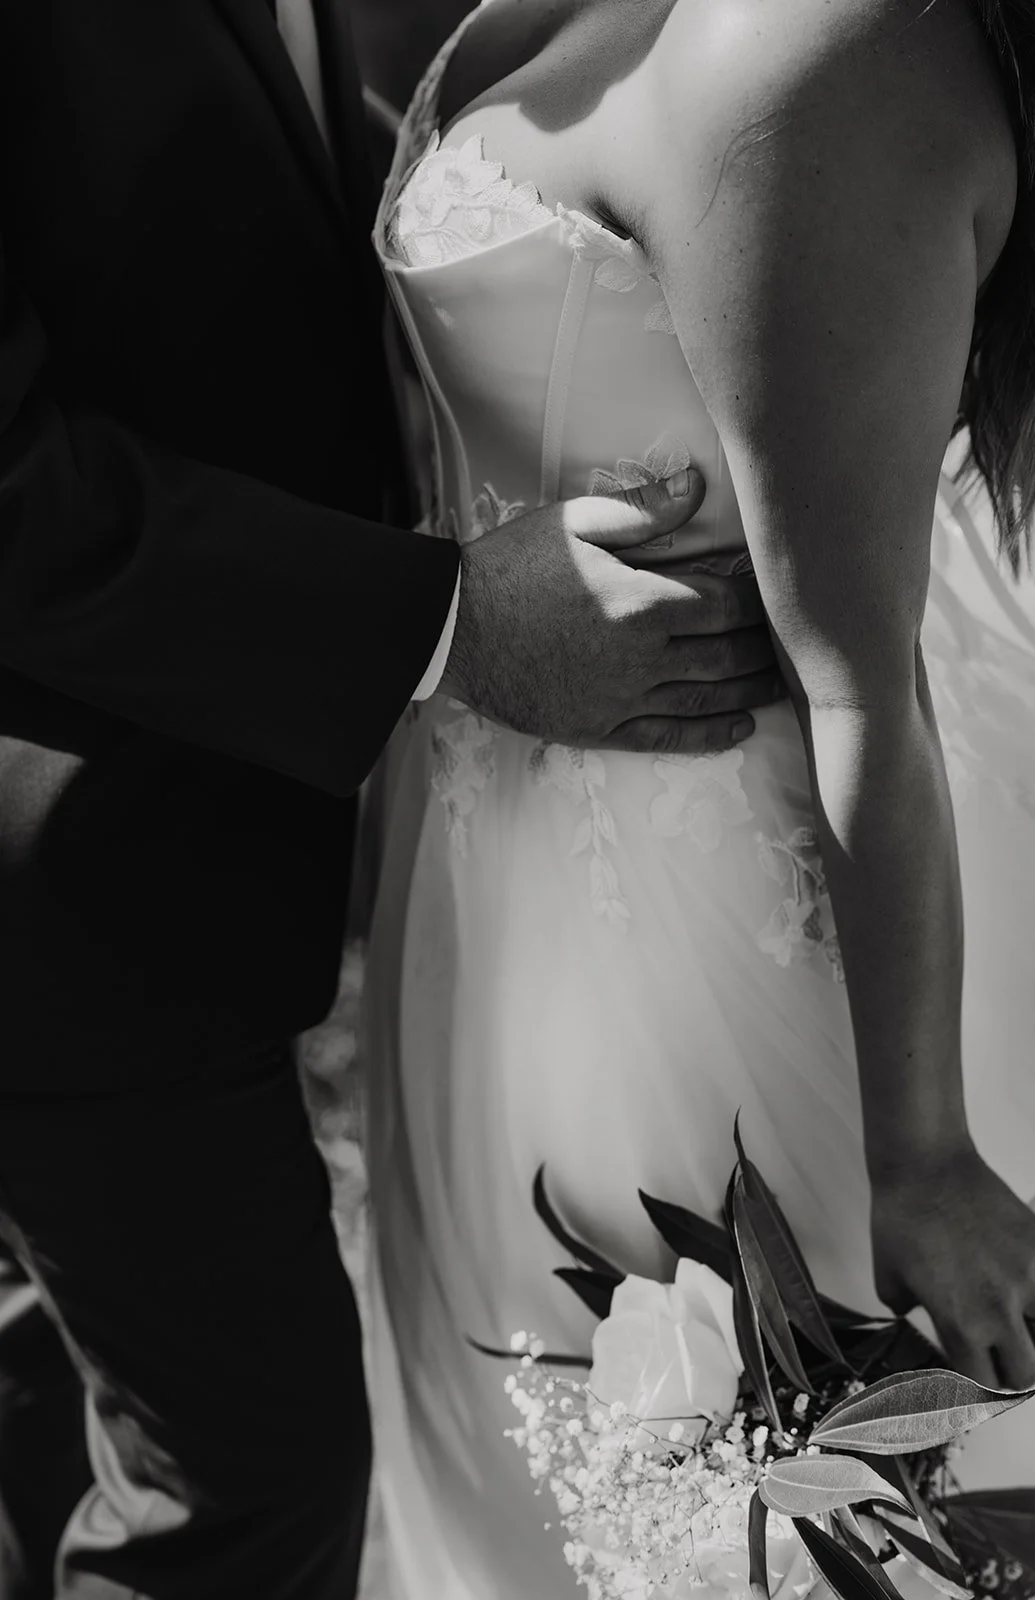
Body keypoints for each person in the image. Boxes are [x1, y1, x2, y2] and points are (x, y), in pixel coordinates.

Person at [0, 3, 779, 1597]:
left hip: (212, 812)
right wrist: (444, 624)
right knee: (253, 1483)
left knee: (78, 1384)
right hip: (69, 866)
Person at [361, 0, 1035, 1594]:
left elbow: (857, 678)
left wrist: (921, 1158)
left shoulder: (821, 55)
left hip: (734, 952)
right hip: (498, 878)